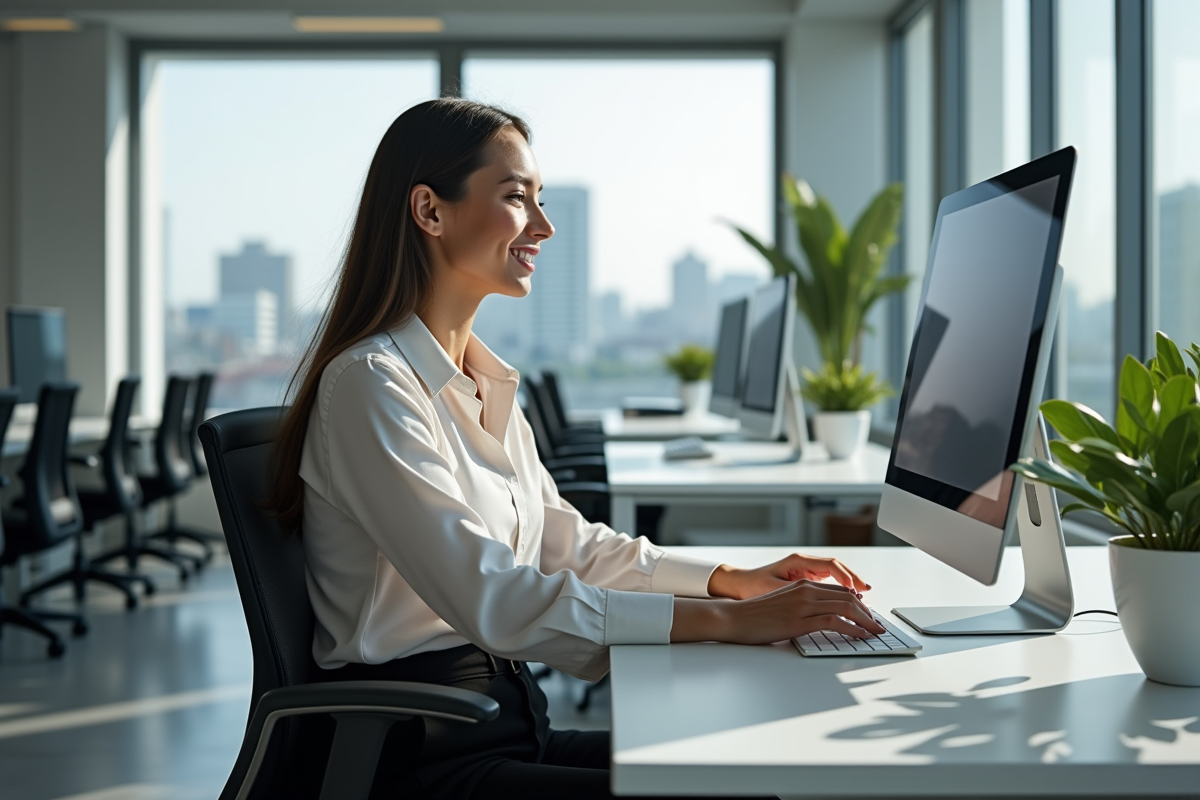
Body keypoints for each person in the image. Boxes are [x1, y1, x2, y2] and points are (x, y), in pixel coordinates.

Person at [267, 97, 885, 799]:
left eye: (541, 200)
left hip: (505, 720)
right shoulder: (370, 386)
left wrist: (729, 580)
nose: (544, 225)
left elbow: (568, 545)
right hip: (420, 754)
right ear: (430, 211)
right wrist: (730, 622)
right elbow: (490, 595)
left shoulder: (481, 378)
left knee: (762, 767)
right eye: (516, 198)